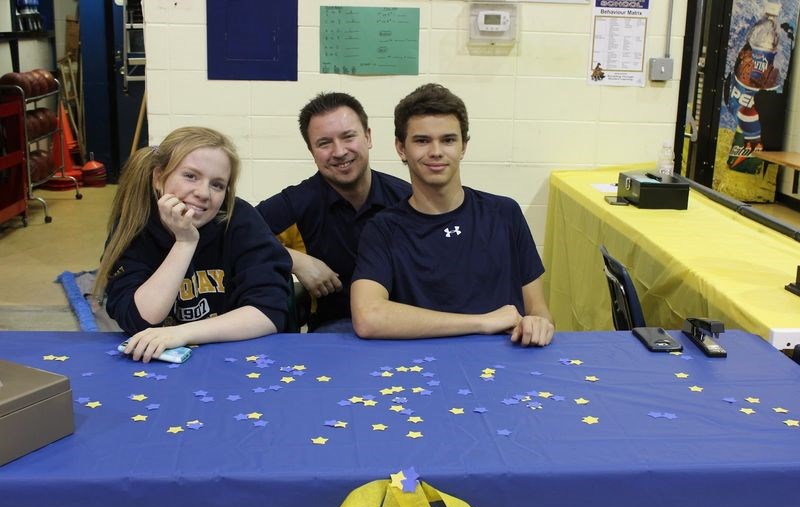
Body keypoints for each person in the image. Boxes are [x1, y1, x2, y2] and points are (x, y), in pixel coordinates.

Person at [351, 84, 555, 346]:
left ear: (463, 146)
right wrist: (481, 322)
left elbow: (539, 310)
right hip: (421, 368)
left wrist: (538, 324)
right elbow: (368, 317)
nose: (436, 151)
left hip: (502, 365)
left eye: (448, 140)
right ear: (401, 148)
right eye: (422, 140)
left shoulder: (505, 214)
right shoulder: (383, 229)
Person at [93, 127, 292, 362]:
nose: (203, 193)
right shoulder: (135, 225)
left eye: (217, 185)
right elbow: (140, 319)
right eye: (190, 176)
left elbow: (268, 313)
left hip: (235, 356)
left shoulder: (240, 220)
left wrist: (181, 333)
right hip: (161, 365)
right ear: (159, 178)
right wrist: (185, 242)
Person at [256, 92, 410, 332]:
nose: (339, 152)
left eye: (348, 137)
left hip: (404, 325)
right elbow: (232, 235)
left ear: (368, 137)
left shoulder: (407, 199)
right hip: (332, 331)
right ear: (311, 150)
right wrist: (295, 260)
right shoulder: (296, 203)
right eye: (324, 143)